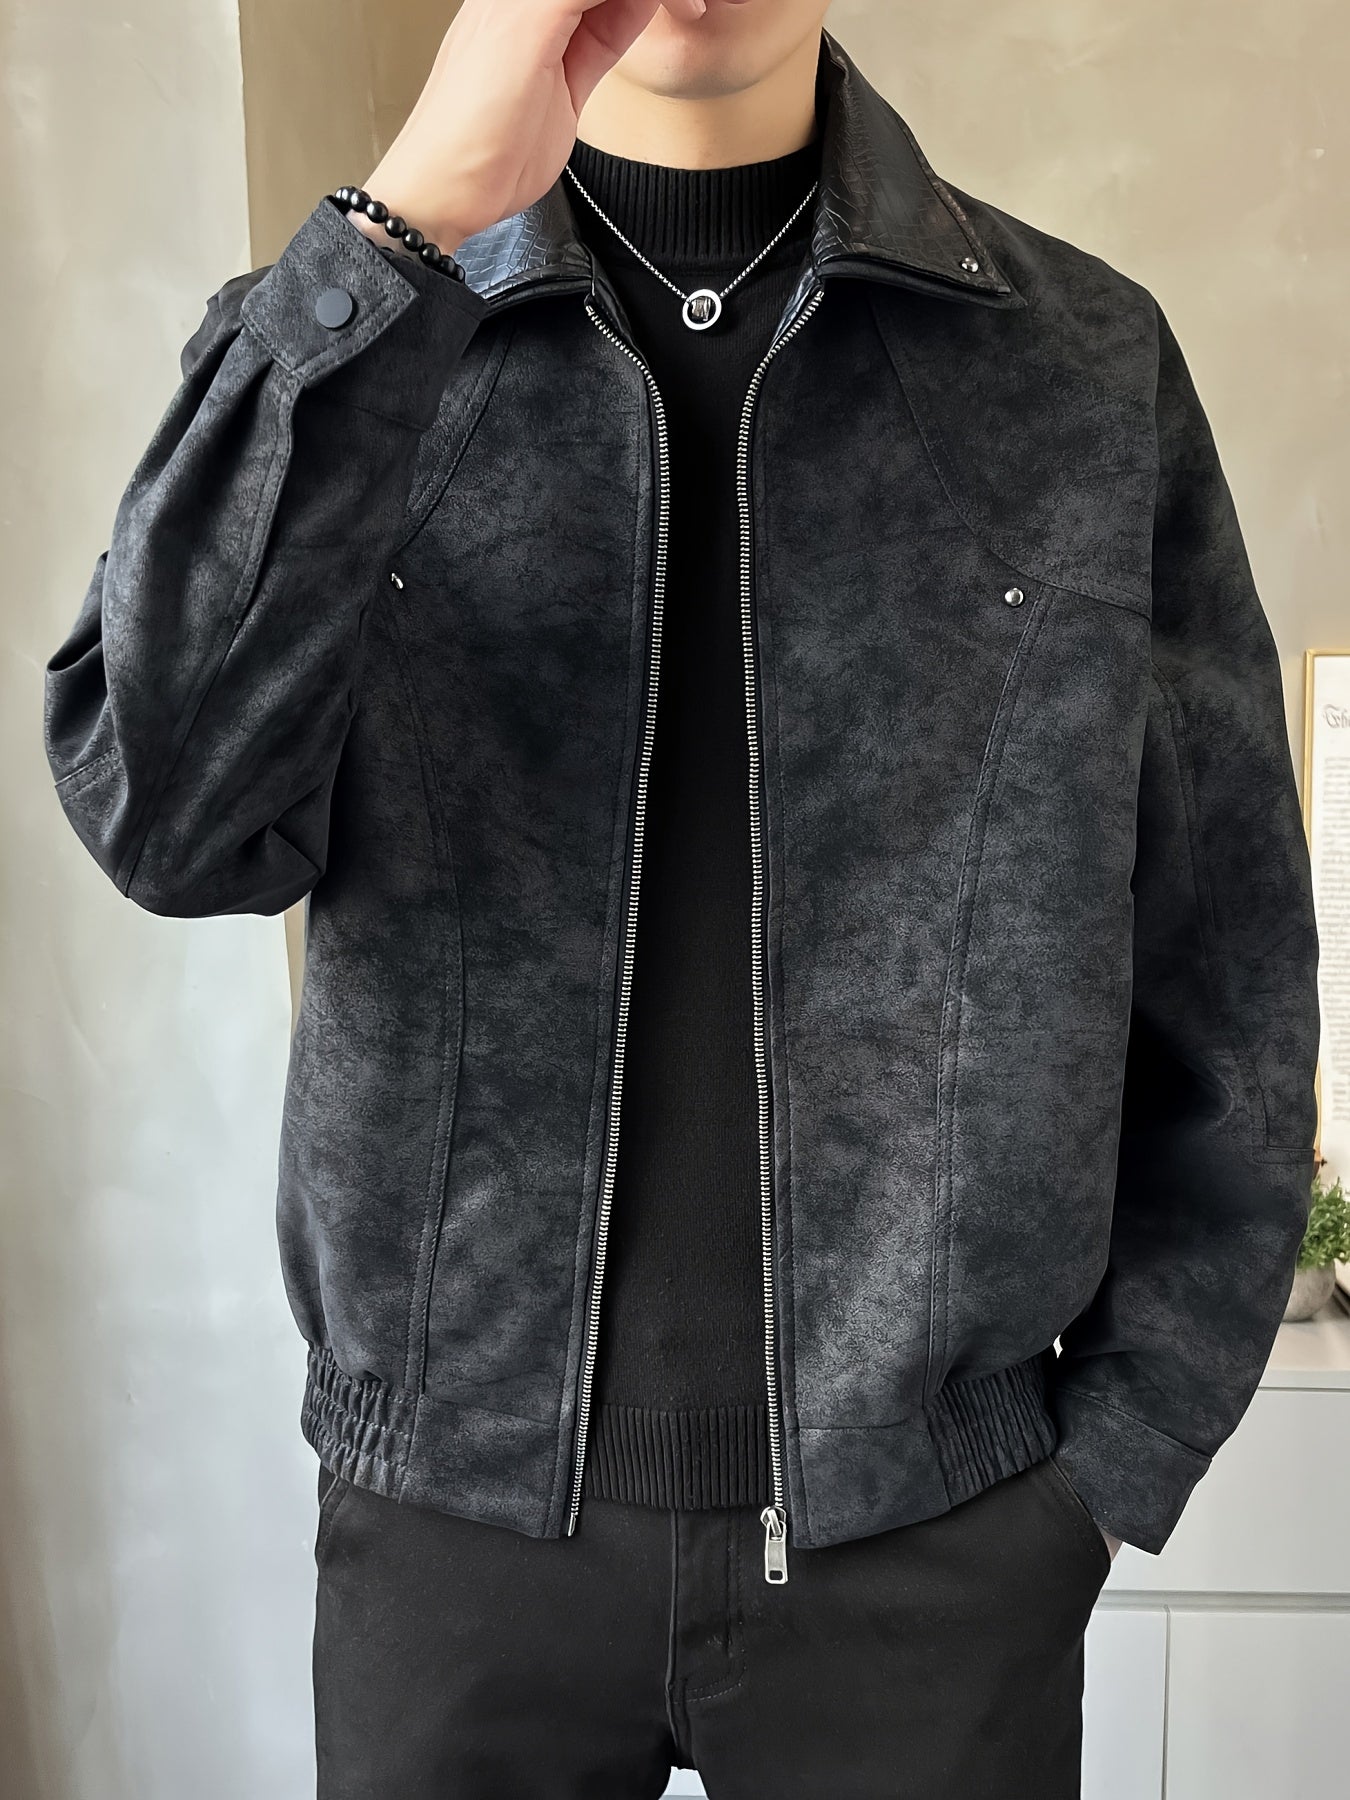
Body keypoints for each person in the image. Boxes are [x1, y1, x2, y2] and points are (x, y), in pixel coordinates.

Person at [41, 1, 1320, 1795]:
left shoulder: (1077, 364)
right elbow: (162, 816)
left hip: (934, 1552)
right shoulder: (351, 337)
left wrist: (1107, 1460)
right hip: (454, 1539)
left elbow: (1228, 961)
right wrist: (396, 239)